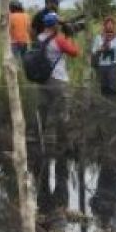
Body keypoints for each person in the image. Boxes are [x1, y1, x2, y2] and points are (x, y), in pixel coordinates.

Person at [34, 11, 80, 140]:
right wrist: (70, 36)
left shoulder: (38, 38)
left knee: (44, 107)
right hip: (58, 79)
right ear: (55, 25)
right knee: (61, 109)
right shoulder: (59, 40)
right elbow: (75, 52)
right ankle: (60, 138)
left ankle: (41, 136)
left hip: (42, 79)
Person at [90, 15, 116, 99]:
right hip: (101, 66)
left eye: (111, 24)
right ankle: (104, 108)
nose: (109, 26)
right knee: (103, 88)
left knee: (112, 88)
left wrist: (114, 48)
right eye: (107, 24)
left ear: (114, 25)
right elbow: (93, 51)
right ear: (104, 25)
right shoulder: (99, 37)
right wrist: (101, 49)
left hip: (113, 65)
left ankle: (113, 107)